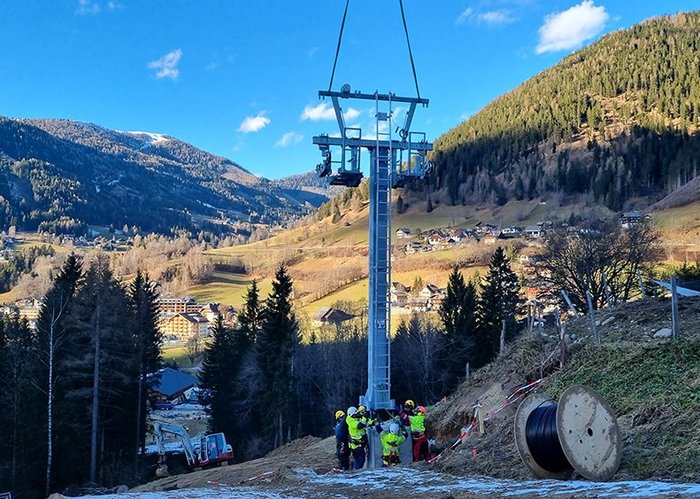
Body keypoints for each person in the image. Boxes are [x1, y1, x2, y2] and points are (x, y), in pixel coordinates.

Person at [346, 406, 375, 470]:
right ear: (352, 415)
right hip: (356, 445)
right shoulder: (350, 421)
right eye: (355, 414)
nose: (357, 414)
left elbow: (365, 424)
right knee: (360, 460)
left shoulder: (356, 418)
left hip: (360, 443)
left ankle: (356, 469)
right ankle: (356, 471)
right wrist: (364, 418)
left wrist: (372, 421)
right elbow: (360, 426)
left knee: (361, 459)